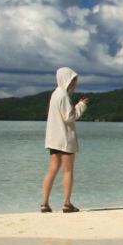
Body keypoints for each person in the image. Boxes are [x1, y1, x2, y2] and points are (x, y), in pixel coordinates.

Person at [40, 66, 89, 213]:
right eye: (72, 80)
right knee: (68, 170)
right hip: (65, 138)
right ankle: (67, 203)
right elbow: (70, 116)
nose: (73, 84)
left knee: (52, 170)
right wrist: (81, 105)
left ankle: (44, 203)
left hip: (54, 138)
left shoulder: (55, 94)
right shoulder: (63, 95)